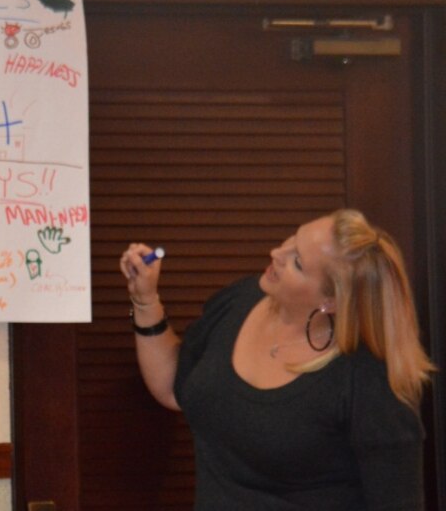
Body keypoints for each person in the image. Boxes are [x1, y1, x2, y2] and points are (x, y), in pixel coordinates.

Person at [121, 209, 434, 510]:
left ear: (331, 301)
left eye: (297, 262)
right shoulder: (238, 302)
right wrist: (144, 299)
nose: (276, 253)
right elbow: (173, 388)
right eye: (291, 240)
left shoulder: (367, 375)